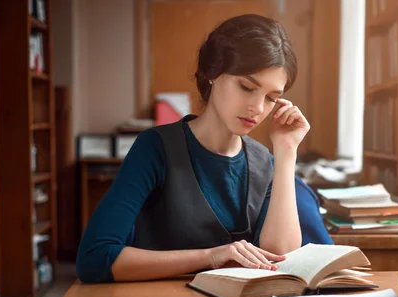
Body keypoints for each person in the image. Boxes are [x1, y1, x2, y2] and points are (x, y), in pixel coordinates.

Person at [76, 14, 313, 283]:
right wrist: (209, 257)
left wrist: (286, 152)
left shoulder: (263, 161)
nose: (258, 109)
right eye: (246, 87)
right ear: (212, 72)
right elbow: (94, 259)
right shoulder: (155, 148)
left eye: (271, 98)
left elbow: (280, 259)